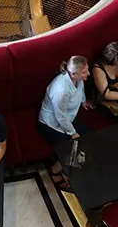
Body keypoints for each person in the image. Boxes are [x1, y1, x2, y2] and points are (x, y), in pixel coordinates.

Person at [38, 56, 90, 189]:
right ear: (74, 74)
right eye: (85, 72)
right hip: (51, 124)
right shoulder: (61, 90)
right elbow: (60, 116)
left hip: (69, 117)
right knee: (72, 148)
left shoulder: (78, 79)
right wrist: (72, 133)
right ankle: (56, 170)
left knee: (88, 139)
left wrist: (83, 101)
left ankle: (75, 168)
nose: (88, 73)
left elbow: (81, 89)